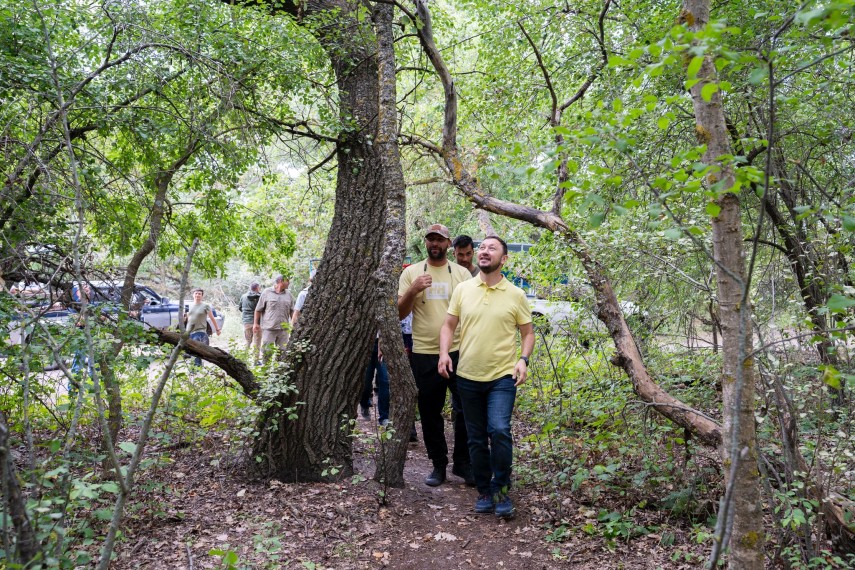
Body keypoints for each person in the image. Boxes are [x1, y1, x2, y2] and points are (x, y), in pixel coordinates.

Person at [438, 235, 534, 519]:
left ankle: (501, 489)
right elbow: (448, 325)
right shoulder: (463, 289)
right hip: (467, 376)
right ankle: (483, 490)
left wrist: (523, 360)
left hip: (502, 377)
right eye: (482, 247)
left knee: (500, 430)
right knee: (476, 438)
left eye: (492, 248)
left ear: (504, 259)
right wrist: (444, 354)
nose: (484, 251)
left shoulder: (515, 294)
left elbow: (527, 332)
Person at [398, 223, 474, 487]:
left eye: (440, 240)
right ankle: (438, 464)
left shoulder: (463, 274)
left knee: (464, 410)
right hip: (424, 352)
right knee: (429, 411)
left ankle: (463, 464)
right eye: (431, 239)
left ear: (448, 244)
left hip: (459, 350)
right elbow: (399, 313)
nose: (435, 244)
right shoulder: (412, 273)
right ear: (426, 242)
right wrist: (413, 289)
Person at [254, 275, 294, 362]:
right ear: (280, 281)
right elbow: (258, 309)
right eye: (287, 281)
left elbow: (292, 311)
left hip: (284, 330)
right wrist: (256, 324)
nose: (289, 283)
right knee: (267, 352)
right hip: (269, 329)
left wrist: (294, 324)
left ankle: (279, 373)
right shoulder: (266, 292)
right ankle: (266, 373)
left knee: (283, 353)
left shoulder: (289, 294)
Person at [185, 288, 221, 366]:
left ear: (202, 296)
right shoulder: (189, 306)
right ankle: (195, 368)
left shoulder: (205, 306)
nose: (197, 295)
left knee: (196, 349)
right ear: (193, 295)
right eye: (196, 293)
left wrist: (217, 329)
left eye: (199, 294)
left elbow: (212, 318)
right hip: (189, 332)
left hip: (200, 331)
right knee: (192, 352)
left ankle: (197, 368)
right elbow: (187, 319)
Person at [360, 335, 389, 424]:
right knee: (366, 382)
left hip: (384, 343)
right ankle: (365, 403)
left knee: (385, 381)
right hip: (366, 343)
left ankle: (384, 417)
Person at [239, 282, 262, 356]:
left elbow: (240, 308)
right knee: (257, 341)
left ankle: (244, 358)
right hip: (257, 322)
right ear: (257, 288)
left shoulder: (243, 296)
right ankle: (256, 360)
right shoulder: (259, 297)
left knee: (248, 341)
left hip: (246, 322)